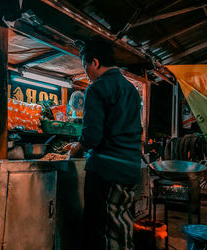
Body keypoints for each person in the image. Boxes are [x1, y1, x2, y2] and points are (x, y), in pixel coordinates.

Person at [67, 36, 142, 250]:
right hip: (130, 169)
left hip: (106, 171)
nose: (86, 73)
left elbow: (92, 136)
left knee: (100, 229)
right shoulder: (130, 90)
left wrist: (77, 148)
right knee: (120, 223)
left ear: (95, 62)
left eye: (85, 67)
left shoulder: (97, 88)